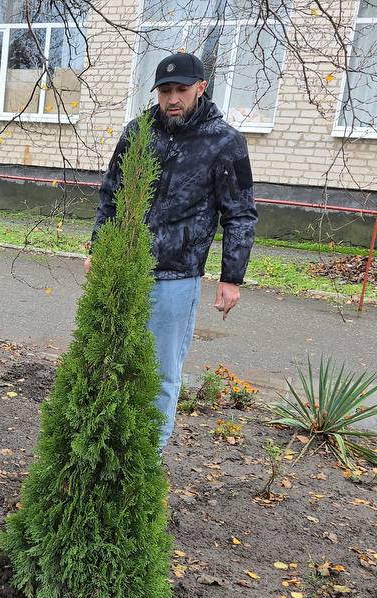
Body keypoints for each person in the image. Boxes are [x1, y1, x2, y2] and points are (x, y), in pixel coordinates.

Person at [89, 51, 257, 450]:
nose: (172, 99)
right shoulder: (138, 132)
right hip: (124, 268)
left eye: (181, 89)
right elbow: (111, 195)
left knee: (161, 373)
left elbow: (241, 213)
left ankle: (148, 458)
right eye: (165, 91)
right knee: (109, 364)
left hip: (176, 277)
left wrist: (231, 277)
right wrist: (99, 247)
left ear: (200, 88)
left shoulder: (225, 143)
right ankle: (108, 447)